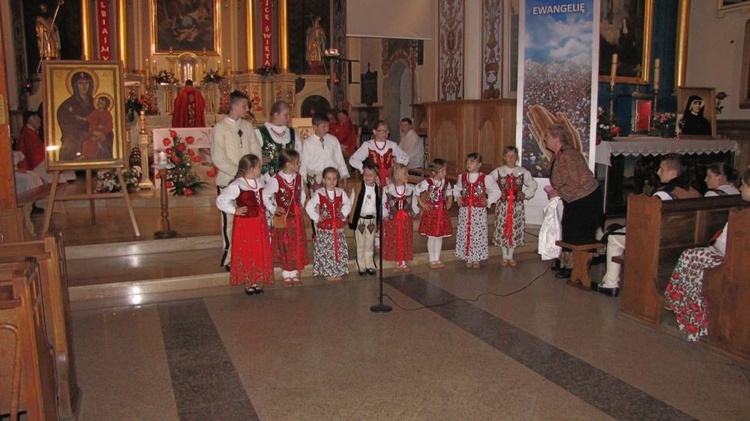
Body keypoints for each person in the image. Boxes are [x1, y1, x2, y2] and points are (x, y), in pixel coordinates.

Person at [596, 154, 700, 296]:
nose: (658, 172)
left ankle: (610, 284)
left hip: (660, 242)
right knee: (619, 231)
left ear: (673, 173)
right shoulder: (694, 192)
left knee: (613, 238)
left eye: (661, 169)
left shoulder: (664, 195)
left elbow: (646, 223)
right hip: (684, 240)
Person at [664, 168, 750, 342]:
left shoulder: (742, 217)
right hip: (739, 259)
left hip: (734, 262)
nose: (741, 188)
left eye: (744, 185)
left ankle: (695, 319)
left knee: (690, 257)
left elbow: (724, 244)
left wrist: (712, 247)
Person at [544, 124, 603, 281]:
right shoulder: (559, 154)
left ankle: (575, 268)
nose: (545, 139)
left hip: (586, 199)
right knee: (570, 230)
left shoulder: (568, 155)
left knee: (576, 233)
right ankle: (569, 265)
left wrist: (557, 191)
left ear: (557, 138)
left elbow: (575, 181)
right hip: (576, 198)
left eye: (548, 136)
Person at [211, 90, 262, 270]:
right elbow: (218, 157)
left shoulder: (248, 126)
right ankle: (229, 257)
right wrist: (238, 173)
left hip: (248, 181)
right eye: (243, 105)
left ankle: (245, 253)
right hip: (229, 180)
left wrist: (253, 170)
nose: (247, 109)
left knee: (247, 220)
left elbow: (256, 149)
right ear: (234, 106)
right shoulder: (220, 128)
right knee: (231, 220)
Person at [215, 154, 274, 295]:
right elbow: (221, 200)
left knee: (258, 249)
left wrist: (271, 210)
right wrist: (234, 210)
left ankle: (256, 278)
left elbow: (264, 198)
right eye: (259, 166)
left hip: (259, 222)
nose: (261, 169)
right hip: (246, 224)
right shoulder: (237, 185)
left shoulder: (259, 182)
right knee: (248, 250)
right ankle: (249, 281)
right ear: (252, 169)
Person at [263, 149, 309, 288]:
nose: (298, 165)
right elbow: (265, 195)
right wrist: (273, 208)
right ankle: (286, 273)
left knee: (295, 243)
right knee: (285, 243)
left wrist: (300, 203)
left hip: (296, 217)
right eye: (296, 163)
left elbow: (301, 193)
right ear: (287, 164)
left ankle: (294, 272)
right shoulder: (276, 180)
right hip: (283, 218)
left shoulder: (299, 177)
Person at [490, 146, 538, 267]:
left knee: (514, 229)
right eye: (508, 155)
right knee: (502, 228)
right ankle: (504, 256)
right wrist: (496, 193)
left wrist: (525, 194)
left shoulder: (523, 172)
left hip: (516, 206)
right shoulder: (498, 171)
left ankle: (510, 256)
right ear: (504, 157)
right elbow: (487, 183)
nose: (511, 158)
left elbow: (533, 184)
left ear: (517, 157)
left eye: (513, 155)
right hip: (503, 206)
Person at [453, 153, 501, 269]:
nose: (469, 164)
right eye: (468, 161)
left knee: (477, 234)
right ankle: (468, 256)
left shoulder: (485, 178)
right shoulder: (462, 177)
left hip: (478, 212)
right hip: (465, 211)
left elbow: (496, 191)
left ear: (479, 165)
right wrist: (458, 197)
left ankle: (477, 257)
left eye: (472, 161)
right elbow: (457, 188)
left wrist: (488, 201)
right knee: (466, 232)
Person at [306, 167, 352, 282]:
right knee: (327, 251)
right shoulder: (319, 193)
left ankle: (337, 270)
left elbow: (348, 204)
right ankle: (328, 271)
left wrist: (343, 213)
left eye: (334, 179)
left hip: (337, 228)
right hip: (325, 229)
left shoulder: (340, 192)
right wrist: (317, 217)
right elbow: (309, 206)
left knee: (338, 249)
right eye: (329, 179)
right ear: (324, 180)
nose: (332, 181)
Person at [416, 158, 453, 269]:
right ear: (434, 172)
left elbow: (450, 193)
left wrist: (449, 202)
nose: (444, 173)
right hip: (431, 213)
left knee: (439, 236)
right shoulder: (427, 183)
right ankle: (432, 259)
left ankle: (437, 258)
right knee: (432, 236)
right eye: (441, 171)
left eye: (445, 170)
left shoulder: (446, 183)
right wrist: (422, 204)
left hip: (441, 213)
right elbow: (417, 191)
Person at [299, 114, 350, 194]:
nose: (326, 129)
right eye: (323, 126)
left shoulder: (333, 140)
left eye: (328, 126)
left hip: (331, 178)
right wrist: (304, 184)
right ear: (315, 127)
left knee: (332, 201)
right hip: (315, 178)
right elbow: (304, 163)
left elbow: (340, 160)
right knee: (317, 202)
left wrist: (345, 179)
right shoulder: (308, 143)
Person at [349, 120, 409, 188]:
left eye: (386, 131)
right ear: (374, 131)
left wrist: (395, 168)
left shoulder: (392, 145)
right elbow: (353, 159)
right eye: (381, 131)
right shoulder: (368, 145)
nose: (384, 133)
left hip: (389, 178)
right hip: (374, 178)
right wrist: (365, 169)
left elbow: (405, 157)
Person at [383, 163, 419, 272]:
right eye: (405, 174)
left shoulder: (410, 189)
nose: (407, 175)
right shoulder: (388, 189)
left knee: (405, 238)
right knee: (395, 239)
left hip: (405, 219)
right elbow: (383, 203)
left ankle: (403, 261)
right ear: (397, 175)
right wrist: (385, 214)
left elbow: (414, 203)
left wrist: (412, 213)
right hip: (393, 220)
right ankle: (398, 261)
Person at [349, 162, 381, 276]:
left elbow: (379, 206)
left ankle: (370, 265)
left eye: (370, 175)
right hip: (361, 220)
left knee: (369, 244)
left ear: (376, 177)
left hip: (371, 220)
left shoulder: (378, 190)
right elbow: (351, 203)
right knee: (360, 244)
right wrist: (349, 215)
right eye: (365, 174)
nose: (367, 177)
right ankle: (361, 266)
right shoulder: (358, 188)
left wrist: (378, 220)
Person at [57, 71, 95, 160]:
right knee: (70, 141)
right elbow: (66, 126)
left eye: (87, 83)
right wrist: (87, 133)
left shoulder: (96, 103)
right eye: (80, 83)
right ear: (75, 86)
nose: (84, 86)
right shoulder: (67, 105)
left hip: (94, 135)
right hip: (76, 137)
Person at [255, 100, 298, 179]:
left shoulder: (292, 132)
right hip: (268, 177)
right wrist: (259, 159)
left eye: (290, 115)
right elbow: (253, 154)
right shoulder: (261, 132)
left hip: (289, 177)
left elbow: (299, 154)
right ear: (276, 115)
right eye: (286, 115)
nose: (289, 118)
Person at [79, 95, 114, 160]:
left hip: (102, 133)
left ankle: (91, 156)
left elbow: (110, 125)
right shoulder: (95, 112)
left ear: (105, 105)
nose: (98, 104)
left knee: (95, 143)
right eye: (98, 102)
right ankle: (84, 155)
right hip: (93, 131)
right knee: (86, 142)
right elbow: (88, 118)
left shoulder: (107, 114)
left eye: (101, 103)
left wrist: (103, 129)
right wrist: (81, 118)